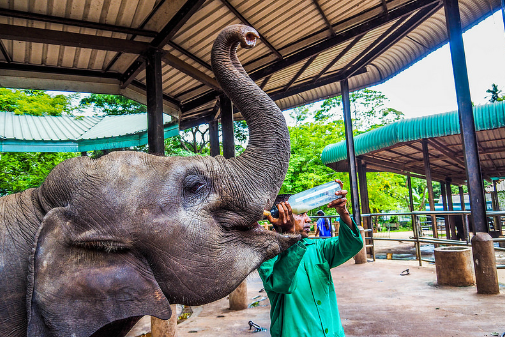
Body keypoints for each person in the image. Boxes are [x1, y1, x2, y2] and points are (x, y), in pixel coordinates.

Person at [259, 180, 363, 337]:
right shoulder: (267, 255)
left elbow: (352, 245)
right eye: (301, 214)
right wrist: (291, 235)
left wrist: (343, 211)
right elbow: (282, 284)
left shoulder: (317, 248)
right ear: (280, 216)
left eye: (307, 214)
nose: (308, 219)